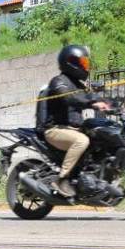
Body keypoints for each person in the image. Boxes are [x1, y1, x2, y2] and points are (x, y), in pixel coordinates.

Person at [36, 44, 109, 200]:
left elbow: (91, 97)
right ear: (71, 63)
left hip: (72, 129)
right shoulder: (58, 82)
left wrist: (109, 103)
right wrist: (91, 102)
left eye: (86, 63)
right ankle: (62, 179)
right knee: (81, 141)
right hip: (55, 130)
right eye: (83, 63)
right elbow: (69, 98)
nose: (85, 67)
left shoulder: (78, 85)